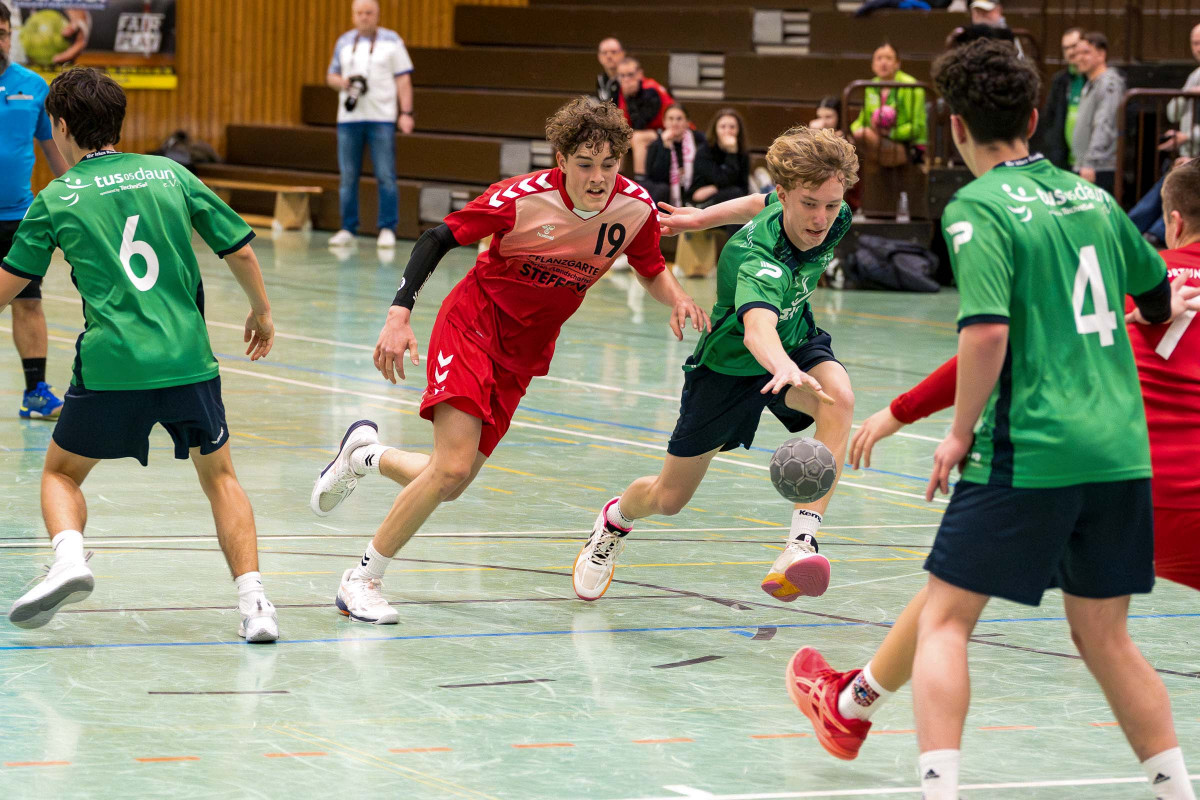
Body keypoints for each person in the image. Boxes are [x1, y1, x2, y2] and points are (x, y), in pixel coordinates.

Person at [847, 38, 1192, 799]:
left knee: (945, 620)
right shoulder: (1095, 201)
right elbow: (1154, 296)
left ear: (955, 128)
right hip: (1120, 453)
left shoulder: (976, 208)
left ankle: (940, 790)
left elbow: (986, 333)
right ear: (1035, 119)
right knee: (1106, 639)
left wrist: (958, 433)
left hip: (1031, 447)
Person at [786, 160, 1200, 774]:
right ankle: (852, 701)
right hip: (1151, 483)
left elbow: (993, 340)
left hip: (1099, 469)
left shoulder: (1113, 277)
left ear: (1173, 222)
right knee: (1091, 635)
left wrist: (901, 414)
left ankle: (855, 706)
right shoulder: (1128, 269)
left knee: (950, 602)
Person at [308, 96, 709, 624]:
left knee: (451, 482)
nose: (598, 178)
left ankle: (364, 456)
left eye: (609, 165)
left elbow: (651, 266)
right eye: (585, 165)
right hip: (472, 327)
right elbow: (436, 238)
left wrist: (677, 296)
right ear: (561, 159)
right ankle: (361, 579)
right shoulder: (521, 198)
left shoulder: (634, 208)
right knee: (450, 468)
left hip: (524, 353)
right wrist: (399, 314)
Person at [3, 68, 280, 643]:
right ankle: (255, 605)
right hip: (187, 359)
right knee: (220, 477)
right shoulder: (170, 173)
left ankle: (69, 557)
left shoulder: (55, 199)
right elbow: (241, 251)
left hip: (112, 364)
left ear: (60, 126)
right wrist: (261, 312)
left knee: (60, 473)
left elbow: (8, 289)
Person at [572, 126, 860, 604]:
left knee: (839, 400)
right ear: (786, 195)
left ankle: (800, 544)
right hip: (729, 367)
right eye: (810, 204)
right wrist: (781, 366)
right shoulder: (756, 257)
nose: (821, 218)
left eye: (831, 205)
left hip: (795, 339)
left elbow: (756, 202)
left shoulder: (831, 212)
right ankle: (614, 521)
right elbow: (757, 330)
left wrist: (700, 218)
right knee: (669, 498)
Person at [0, 3, 69, 419]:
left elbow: (55, 151)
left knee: (28, 301)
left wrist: (82, 194)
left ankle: (36, 393)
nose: (0, 41)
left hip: (18, 219)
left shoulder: (32, 86)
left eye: (3, 33)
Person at [326, 0, 414, 250]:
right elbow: (331, 76)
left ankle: (387, 227)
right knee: (348, 176)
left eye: (369, 12)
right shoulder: (344, 42)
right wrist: (343, 83)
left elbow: (403, 79)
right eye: (359, 13)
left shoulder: (392, 41)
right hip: (349, 119)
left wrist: (406, 112)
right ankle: (347, 228)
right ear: (353, 16)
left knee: (385, 175)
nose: (364, 17)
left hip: (382, 117)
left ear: (377, 15)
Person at [850, 43, 927, 217]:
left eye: (888, 58)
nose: (883, 62)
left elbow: (917, 127)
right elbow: (861, 120)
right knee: (860, 136)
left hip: (909, 144)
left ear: (897, 63)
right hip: (879, 143)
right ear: (873, 64)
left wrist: (891, 133)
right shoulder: (871, 85)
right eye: (879, 58)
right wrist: (856, 131)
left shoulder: (911, 86)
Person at [1072, 31, 1124, 193]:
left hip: (1098, 168)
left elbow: (1105, 124)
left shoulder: (1109, 83)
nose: (1079, 58)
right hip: (1087, 165)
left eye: (1086, 52)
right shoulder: (1090, 83)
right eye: (1077, 53)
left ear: (1101, 54)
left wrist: (1091, 162)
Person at [1032, 27, 1084, 169]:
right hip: (1064, 159)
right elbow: (1050, 118)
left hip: (1090, 161)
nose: (1070, 52)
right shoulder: (1059, 80)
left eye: (1074, 46)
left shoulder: (1096, 79)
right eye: (1066, 48)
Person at [616, 57, 674, 179]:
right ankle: (615, 180)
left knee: (638, 137)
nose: (626, 79)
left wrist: (630, 98)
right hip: (651, 131)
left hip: (671, 130)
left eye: (630, 75)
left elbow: (640, 123)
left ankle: (641, 180)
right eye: (622, 76)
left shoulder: (650, 89)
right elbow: (624, 122)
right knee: (618, 136)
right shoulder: (624, 90)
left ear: (640, 74)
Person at [643, 104, 705, 207]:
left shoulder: (699, 140)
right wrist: (665, 148)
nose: (675, 123)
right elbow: (656, 177)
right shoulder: (656, 144)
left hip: (694, 189)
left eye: (679, 119)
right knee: (661, 189)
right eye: (671, 119)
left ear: (687, 122)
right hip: (667, 194)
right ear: (664, 122)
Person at [692, 108, 751, 207]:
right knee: (735, 193)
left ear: (738, 130)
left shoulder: (742, 152)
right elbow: (721, 179)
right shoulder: (704, 151)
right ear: (715, 129)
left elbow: (744, 187)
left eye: (732, 127)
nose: (727, 131)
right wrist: (731, 153)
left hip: (729, 196)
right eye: (723, 127)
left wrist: (715, 188)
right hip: (701, 202)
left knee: (737, 194)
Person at [595, 37, 624, 103]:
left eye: (613, 52)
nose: (609, 56)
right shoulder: (601, 79)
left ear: (622, 54)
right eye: (604, 53)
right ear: (599, 57)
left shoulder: (629, 78)